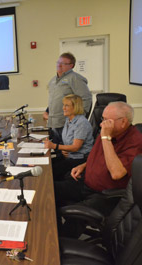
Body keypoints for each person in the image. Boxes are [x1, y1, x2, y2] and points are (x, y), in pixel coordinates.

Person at [54, 101, 142, 237]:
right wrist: (83, 166)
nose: (102, 124)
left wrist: (106, 138)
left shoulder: (135, 141)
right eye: (102, 119)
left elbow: (117, 173)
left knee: (76, 215)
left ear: (123, 122)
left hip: (107, 194)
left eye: (107, 120)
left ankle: (57, 248)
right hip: (86, 183)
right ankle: (52, 231)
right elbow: (97, 156)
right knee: (52, 191)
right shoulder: (108, 131)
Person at [44, 52, 92, 144]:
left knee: (66, 152)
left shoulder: (75, 79)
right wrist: (47, 111)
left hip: (67, 124)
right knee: (57, 151)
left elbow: (86, 99)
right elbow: (55, 99)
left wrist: (77, 120)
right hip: (53, 123)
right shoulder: (53, 80)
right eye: (58, 62)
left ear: (71, 66)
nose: (59, 65)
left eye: (64, 63)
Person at [44, 94, 94, 180]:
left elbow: (75, 147)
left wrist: (55, 146)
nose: (63, 108)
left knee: (50, 171)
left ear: (75, 107)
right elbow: (69, 143)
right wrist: (64, 149)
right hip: (70, 156)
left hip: (80, 159)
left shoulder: (81, 123)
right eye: (63, 105)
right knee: (46, 166)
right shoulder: (68, 119)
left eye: (66, 106)